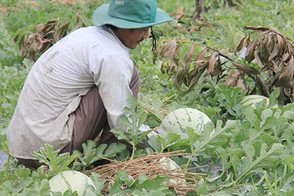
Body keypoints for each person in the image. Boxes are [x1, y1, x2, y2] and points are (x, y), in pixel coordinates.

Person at [7, 0, 173, 169]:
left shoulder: (88, 36)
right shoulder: (112, 57)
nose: (146, 35)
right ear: (123, 26)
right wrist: (157, 139)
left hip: (23, 146)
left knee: (116, 83)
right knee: (129, 78)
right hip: (48, 151)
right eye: (142, 28)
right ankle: (106, 162)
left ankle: (104, 153)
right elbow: (122, 122)